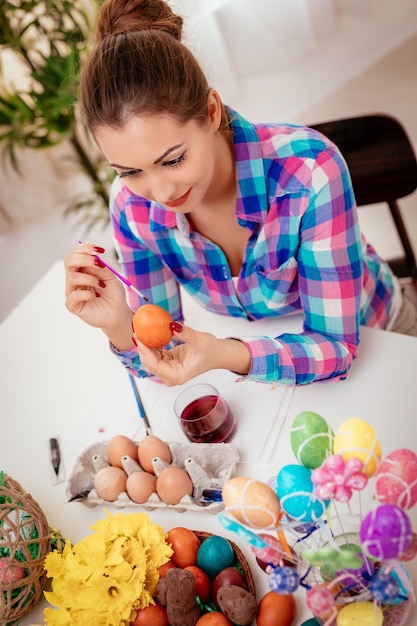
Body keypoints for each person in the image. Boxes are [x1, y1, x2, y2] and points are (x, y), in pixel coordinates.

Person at [64, 0, 417, 388]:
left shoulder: (310, 172)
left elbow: (336, 345)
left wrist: (225, 354)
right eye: (130, 171)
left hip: (380, 338)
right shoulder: (131, 206)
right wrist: (118, 327)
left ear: (211, 111)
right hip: (273, 367)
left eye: (174, 160)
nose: (160, 192)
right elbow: (163, 350)